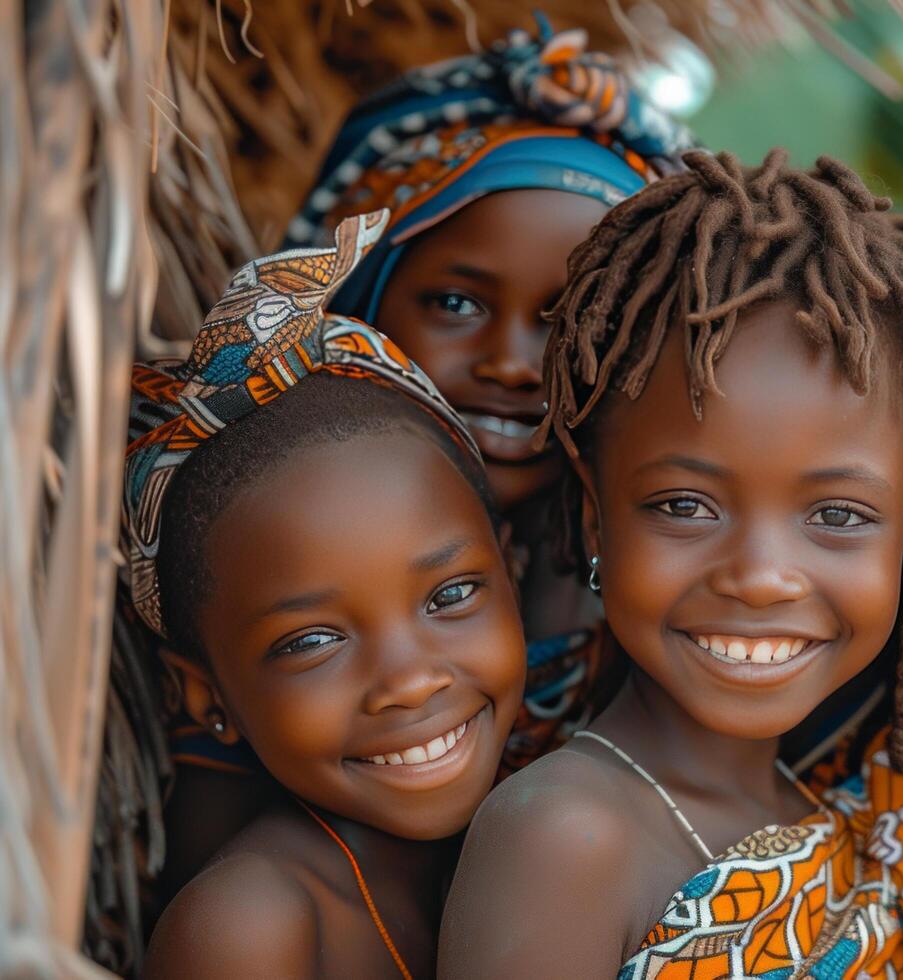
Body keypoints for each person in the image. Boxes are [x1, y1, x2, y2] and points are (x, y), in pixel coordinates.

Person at [156, 16, 694, 902]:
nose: (514, 363)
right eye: (454, 301)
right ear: (358, 302)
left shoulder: (661, 573)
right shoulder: (258, 556)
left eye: (570, 320)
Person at [438, 148, 903, 978]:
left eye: (838, 515)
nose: (762, 576)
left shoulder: (860, 816)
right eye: (684, 507)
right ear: (594, 518)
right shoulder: (566, 835)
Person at [133, 215, 526, 979]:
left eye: (449, 595)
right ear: (204, 691)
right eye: (312, 641)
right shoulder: (250, 927)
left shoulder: (528, 829)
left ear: (509, 575)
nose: (410, 680)